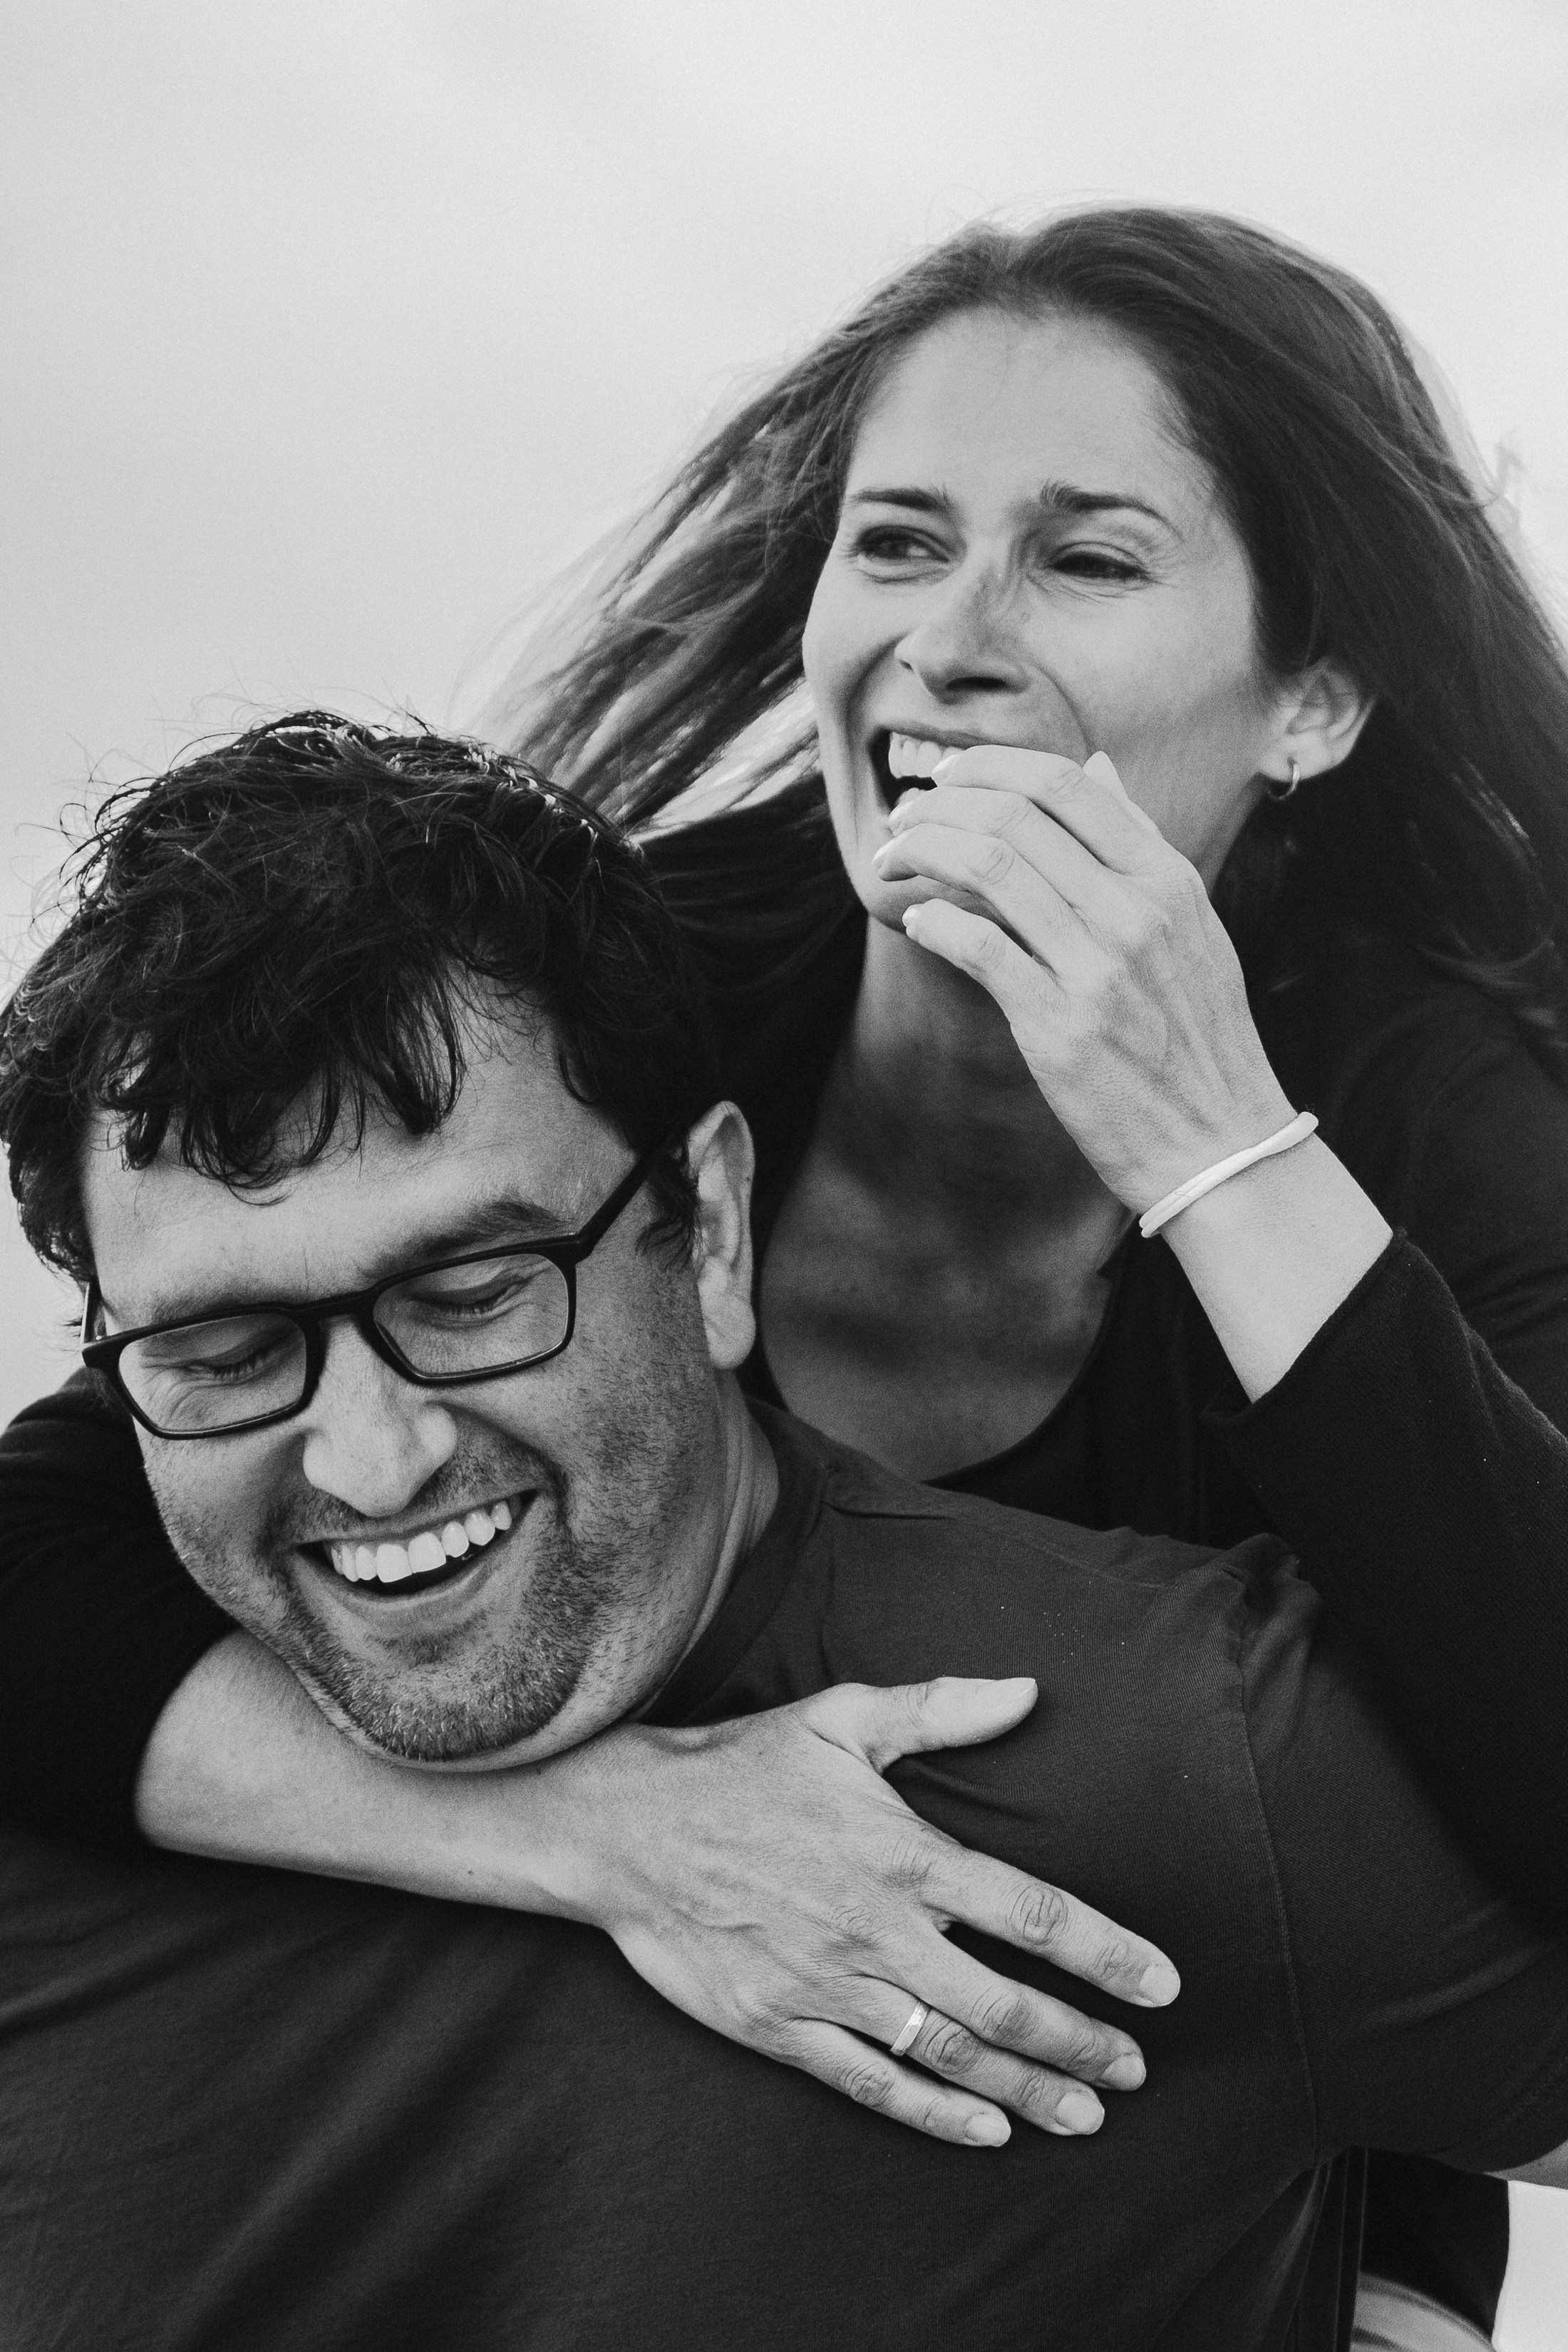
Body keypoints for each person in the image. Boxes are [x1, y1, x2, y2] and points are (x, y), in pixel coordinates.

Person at [5, 207, 1568, 2344]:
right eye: (899, 543)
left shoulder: (1440, 1124)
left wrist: (1222, 1141)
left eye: (1086, 558)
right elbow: (57, 1546)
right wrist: (608, 1831)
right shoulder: (638, 995)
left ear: (1311, 696)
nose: (953, 643)